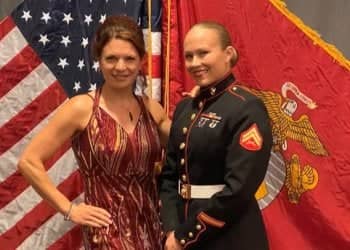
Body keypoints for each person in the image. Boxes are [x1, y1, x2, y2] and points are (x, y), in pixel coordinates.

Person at [18, 16, 170, 249]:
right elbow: (29, 161)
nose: (121, 67)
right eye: (111, 58)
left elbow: (189, 149)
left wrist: (201, 102)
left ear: (142, 61)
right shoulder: (82, 107)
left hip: (153, 232)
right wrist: (69, 209)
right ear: (98, 59)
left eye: (129, 58)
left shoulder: (153, 110)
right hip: (107, 236)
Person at [159, 21, 273, 250]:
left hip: (230, 235)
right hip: (181, 230)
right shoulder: (185, 108)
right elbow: (170, 176)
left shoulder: (246, 108)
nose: (194, 63)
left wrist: (185, 236)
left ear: (228, 54)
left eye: (203, 53)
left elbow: (238, 190)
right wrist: (172, 229)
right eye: (189, 56)